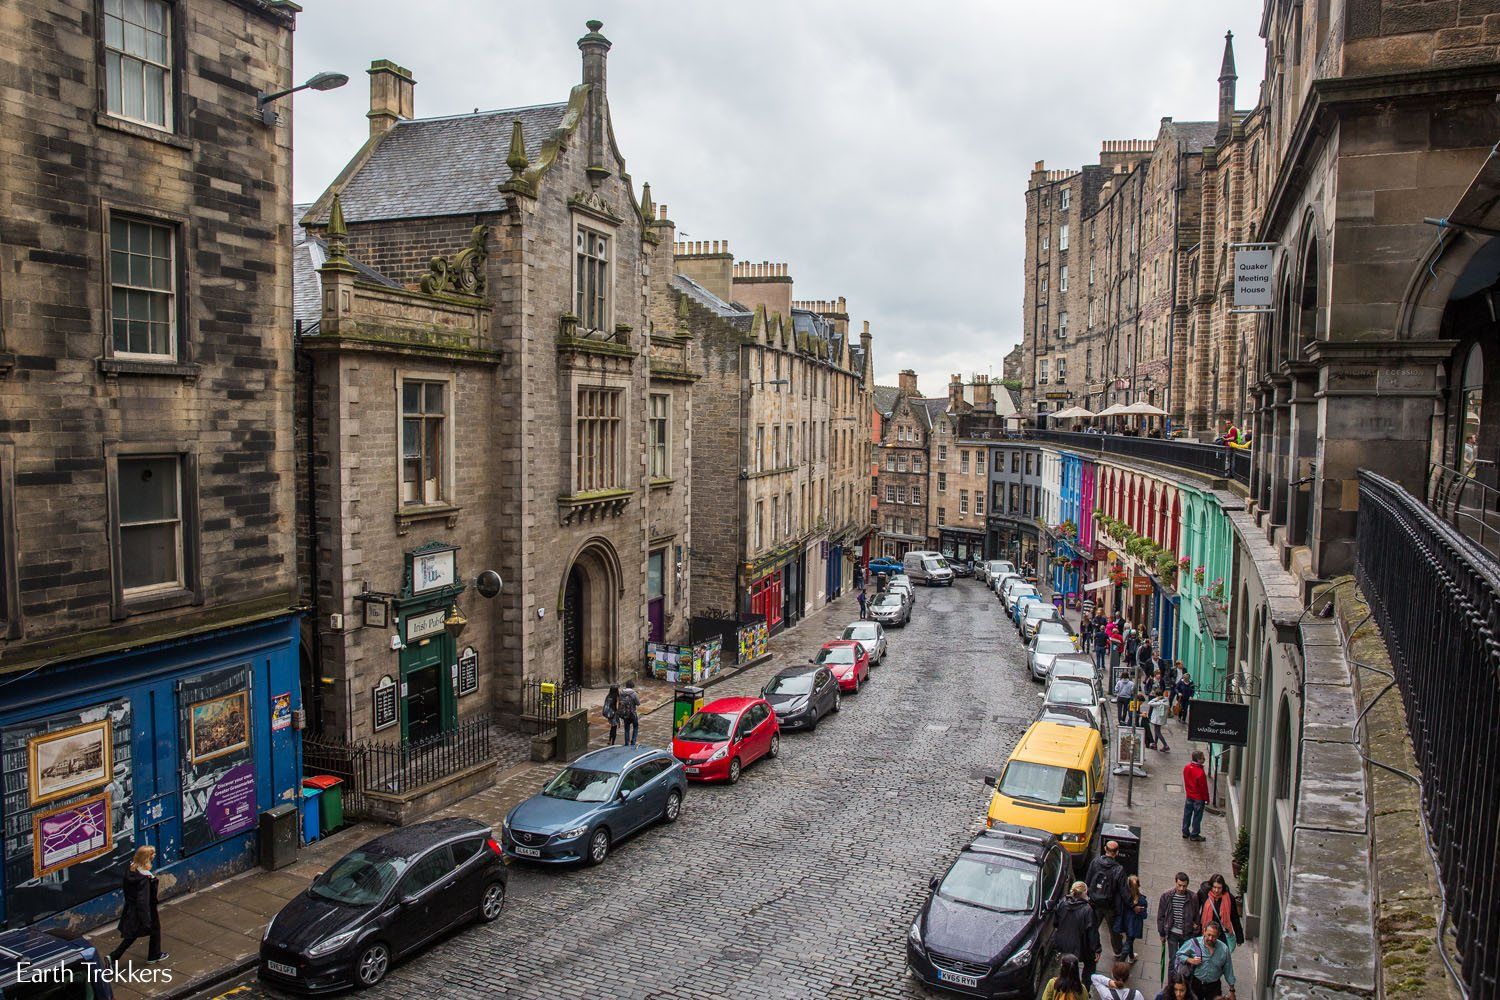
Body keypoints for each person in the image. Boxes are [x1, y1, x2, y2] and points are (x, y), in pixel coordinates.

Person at [110, 845, 168, 965]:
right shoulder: (144, 879)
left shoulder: (131, 870)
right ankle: (153, 955)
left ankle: (153, 955)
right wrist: (146, 919)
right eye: (152, 854)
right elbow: (143, 900)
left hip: (131, 907)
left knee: (134, 935)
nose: (154, 855)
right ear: (147, 858)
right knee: (151, 930)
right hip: (144, 910)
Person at [1085, 840, 1128, 957]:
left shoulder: (1095, 862)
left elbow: (1088, 881)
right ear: (1117, 852)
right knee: (1114, 931)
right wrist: (1132, 904)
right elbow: (1124, 891)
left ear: (1105, 848)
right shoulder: (1118, 869)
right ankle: (1118, 951)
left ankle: (1089, 948)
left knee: (1093, 927)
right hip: (1110, 905)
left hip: (1094, 902)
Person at [1174, 922, 1236, 1000]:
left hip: (1214, 986)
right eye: (1208, 935)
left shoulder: (1224, 949)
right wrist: (1190, 960)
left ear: (1218, 935)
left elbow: (1228, 971)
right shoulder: (1194, 943)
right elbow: (1179, 954)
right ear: (1204, 932)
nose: (1210, 938)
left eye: (1213, 936)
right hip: (1196, 984)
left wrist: (1232, 991)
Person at [1054, 882, 1103, 979]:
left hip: (1063, 942)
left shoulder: (1062, 903)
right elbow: (1092, 933)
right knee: (1090, 965)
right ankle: (1085, 989)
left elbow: (1056, 923)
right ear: (1085, 893)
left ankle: (1067, 985)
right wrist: (1097, 949)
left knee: (1068, 966)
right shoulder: (1087, 910)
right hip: (1080, 945)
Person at [1157, 872, 1200, 967]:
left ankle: (1182, 980)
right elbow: (1161, 916)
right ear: (1175, 882)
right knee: (1173, 959)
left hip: (1187, 934)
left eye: (1184, 886)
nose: (1181, 888)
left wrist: (1196, 930)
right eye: (1179, 885)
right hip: (1172, 933)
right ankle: (1172, 981)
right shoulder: (1166, 896)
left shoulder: (1193, 897)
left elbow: (1197, 915)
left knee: (1184, 959)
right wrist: (1162, 933)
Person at [1195, 874, 1245, 951]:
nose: (1216, 890)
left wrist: (1239, 937)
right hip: (1206, 932)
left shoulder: (1229, 898)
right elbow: (1195, 910)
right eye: (1214, 887)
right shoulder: (1203, 893)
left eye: (1219, 888)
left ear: (1223, 887)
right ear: (1210, 886)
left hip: (1221, 934)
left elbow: (1234, 918)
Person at [1114, 875, 1148, 962]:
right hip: (1134, 924)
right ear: (1139, 886)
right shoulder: (1141, 900)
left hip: (1124, 921)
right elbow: (1144, 916)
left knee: (1129, 940)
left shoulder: (1124, 897)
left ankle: (1131, 956)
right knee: (1129, 942)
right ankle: (1120, 963)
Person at [1182, 751, 1210, 841]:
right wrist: (1206, 798)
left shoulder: (1187, 768)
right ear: (1198, 759)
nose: (1204, 759)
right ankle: (1194, 834)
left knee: (1187, 814)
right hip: (1198, 798)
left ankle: (1185, 831)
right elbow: (1203, 788)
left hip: (1189, 795)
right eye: (1202, 758)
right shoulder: (1200, 772)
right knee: (1197, 817)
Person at [618, 680, 641, 746]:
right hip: (632, 713)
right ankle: (633, 742)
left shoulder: (621, 693)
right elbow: (638, 703)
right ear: (632, 686)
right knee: (635, 727)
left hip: (625, 713)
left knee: (626, 729)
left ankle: (626, 743)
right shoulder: (634, 694)